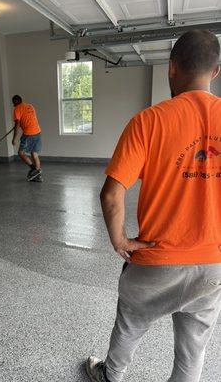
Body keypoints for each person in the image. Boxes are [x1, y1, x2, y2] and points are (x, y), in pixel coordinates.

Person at [86, 29, 221, 382]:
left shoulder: (148, 121)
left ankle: (110, 376)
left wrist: (120, 242)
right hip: (213, 264)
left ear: (171, 68)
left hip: (156, 259)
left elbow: (112, 194)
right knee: (193, 351)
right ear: (216, 72)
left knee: (129, 325)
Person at [11, 95, 43, 182]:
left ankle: (34, 170)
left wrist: (14, 139)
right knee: (34, 154)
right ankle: (38, 175)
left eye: (13, 102)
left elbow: (17, 124)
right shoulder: (30, 106)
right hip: (37, 131)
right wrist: (20, 122)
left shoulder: (17, 109)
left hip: (29, 134)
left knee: (21, 152)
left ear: (15, 102)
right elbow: (28, 119)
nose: (13, 104)